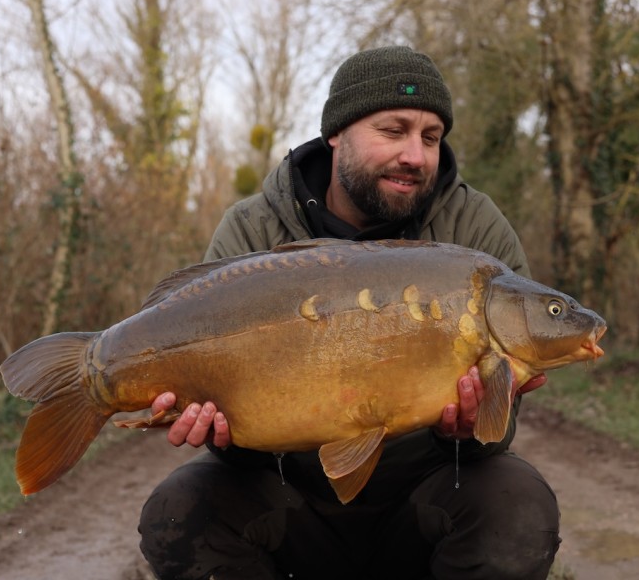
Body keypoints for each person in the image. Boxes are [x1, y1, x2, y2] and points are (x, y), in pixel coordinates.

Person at [138, 46, 560, 580]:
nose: (416, 155)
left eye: (431, 138)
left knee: (516, 503)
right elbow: (234, 442)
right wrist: (224, 436)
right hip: (291, 498)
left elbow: (496, 434)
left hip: (423, 498)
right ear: (336, 132)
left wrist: (469, 431)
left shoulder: (476, 234)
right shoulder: (254, 230)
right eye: (394, 130)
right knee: (180, 509)